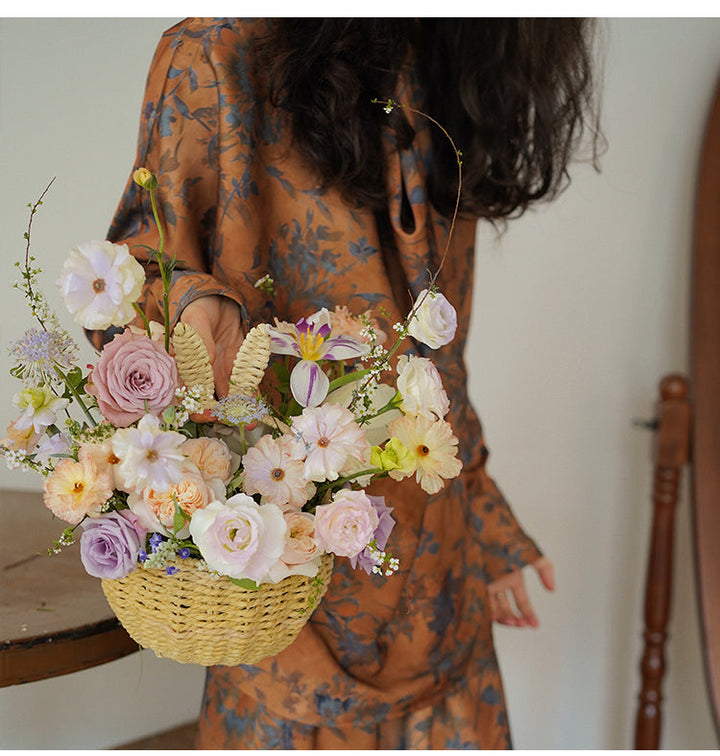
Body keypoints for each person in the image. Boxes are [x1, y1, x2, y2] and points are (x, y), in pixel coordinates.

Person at [104, 18, 599, 749]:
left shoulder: (461, 65)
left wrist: (482, 504)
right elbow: (125, 286)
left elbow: (435, 355)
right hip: (288, 606)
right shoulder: (219, 55)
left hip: (443, 598)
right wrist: (193, 306)